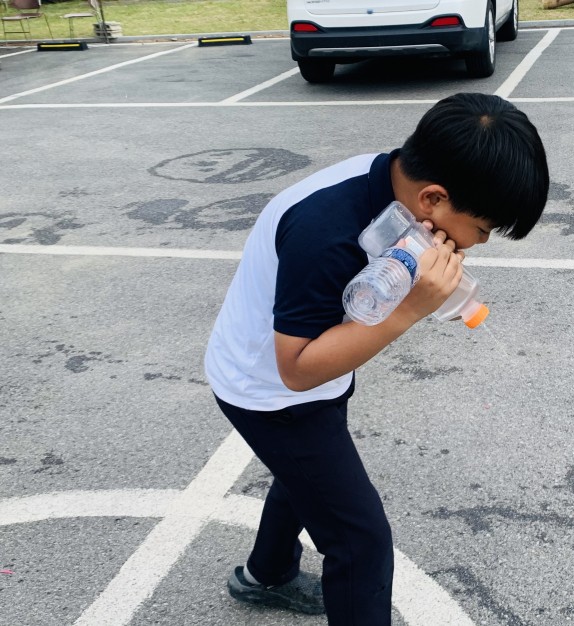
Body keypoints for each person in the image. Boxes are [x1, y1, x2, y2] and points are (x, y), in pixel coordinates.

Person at [204, 92, 549, 624]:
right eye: (481, 230)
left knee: (304, 476)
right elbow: (296, 370)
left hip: (308, 370)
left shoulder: (391, 185)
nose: (476, 246)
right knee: (361, 542)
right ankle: (268, 574)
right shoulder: (326, 230)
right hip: (268, 390)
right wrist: (409, 310)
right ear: (432, 197)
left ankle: (265, 574)